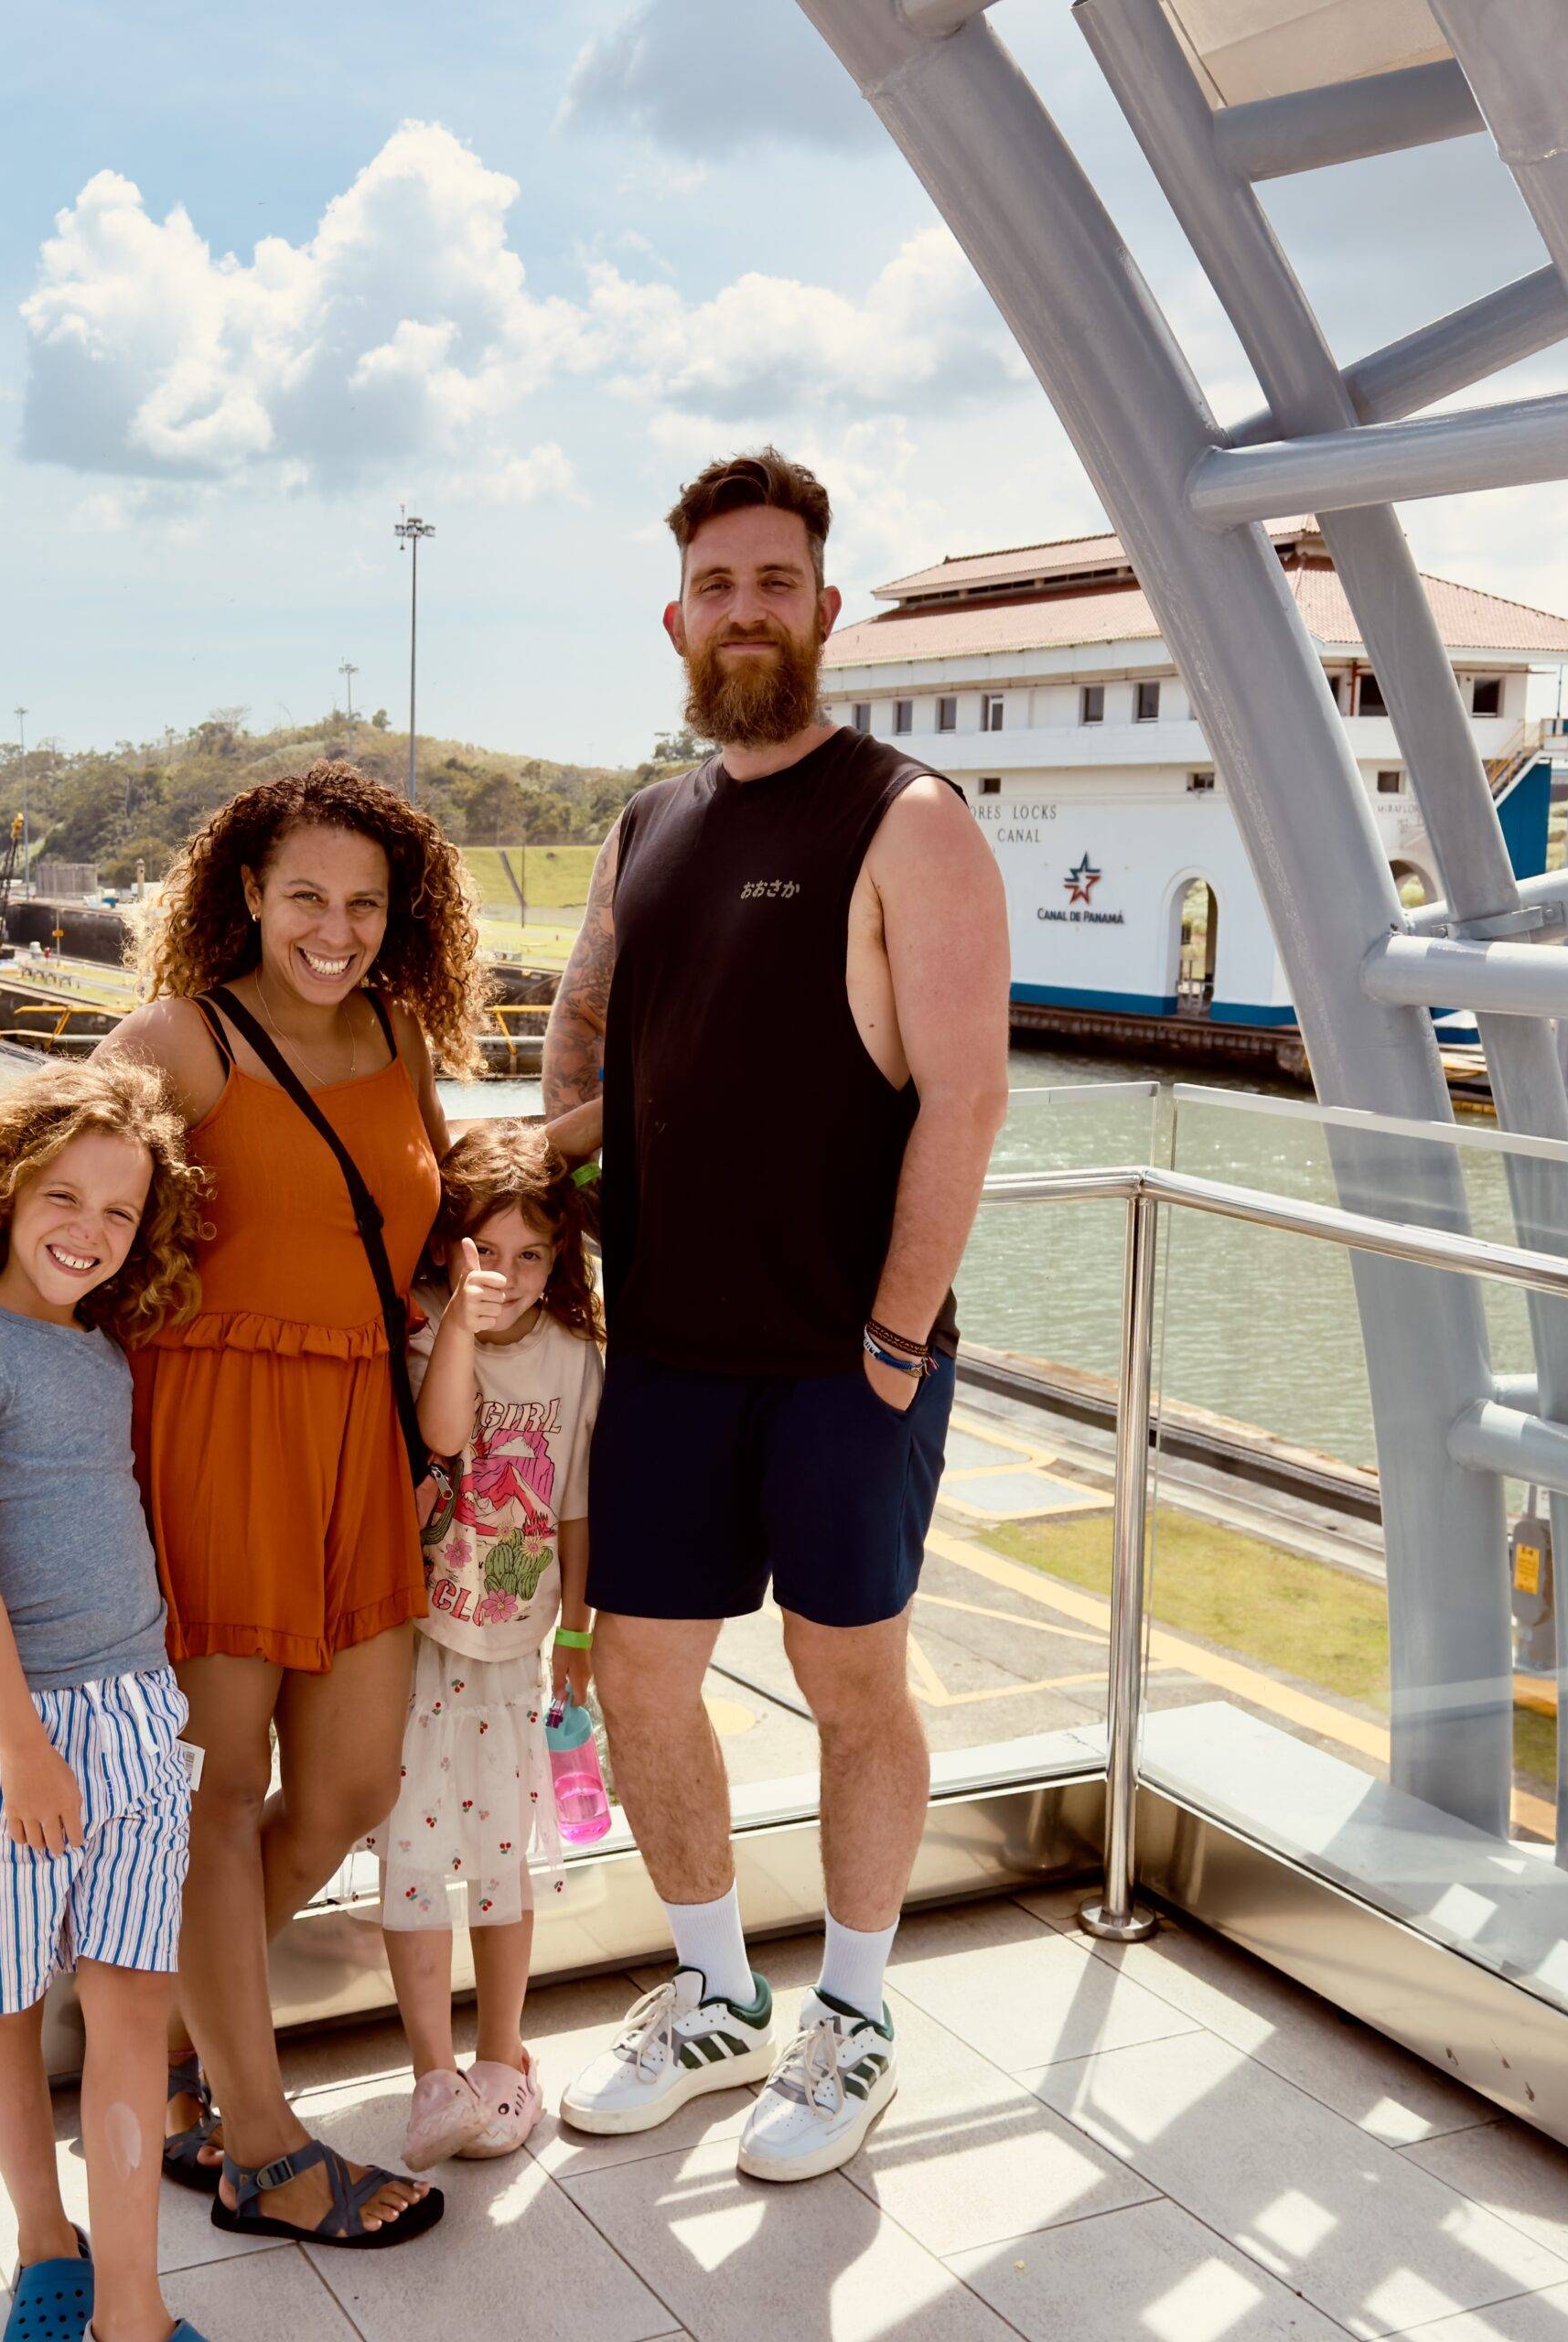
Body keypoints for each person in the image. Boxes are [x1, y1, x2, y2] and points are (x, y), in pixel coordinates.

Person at [0, 761, 482, 2250]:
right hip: (205, 1441)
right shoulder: (181, 1042)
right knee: (212, 1801)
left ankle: (162, 2020)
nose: (334, 929)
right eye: (304, 899)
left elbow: (420, 1223)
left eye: (363, 903)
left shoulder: (402, 1036)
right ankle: (261, 2143)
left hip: (358, 1443)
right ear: (245, 898)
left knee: (345, 1788)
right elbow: (33, 1192)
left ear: (399, 915)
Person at [542, 447, 1010, 2183]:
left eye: (775, 583)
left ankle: (861, 2014)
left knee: (849, 1680)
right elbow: (592, 1037)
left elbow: (963, 1099)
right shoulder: (644, 827)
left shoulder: (909, 820)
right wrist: (547, 1154)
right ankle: (719, 1992)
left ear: (824, 607)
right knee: (642, 1679)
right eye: (717, 588)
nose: (747, 613)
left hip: (839, 1362)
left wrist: (893, 1340)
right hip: (666, 1354)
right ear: (680, 621)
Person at [0, 1058, 214, 2342]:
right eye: (61, 1199)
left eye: (119, 1213)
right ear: (3, 1195)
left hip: (134, 1712)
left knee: (135, 2000)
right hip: (2, 1726)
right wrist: (26, 1752)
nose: (89, 1231)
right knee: (7, 1997)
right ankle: (45, 2241)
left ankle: (132, 2307)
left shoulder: (108, 1351)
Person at [360, 1123, 604, 2169]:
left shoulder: (577, 1357)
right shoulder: (420, 1335)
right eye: (483, 1251)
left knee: (505, 1862)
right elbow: (447, 1435)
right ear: (446, 1250)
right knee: (413, 1863)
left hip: (515, 1645)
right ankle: (431, 2074)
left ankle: (503, 2057)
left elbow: (581, 1510)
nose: (505, 1275)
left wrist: (581, 1633)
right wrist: (456, 1322)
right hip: (417, 1639)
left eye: (530, 1254)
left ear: (561, 1261)